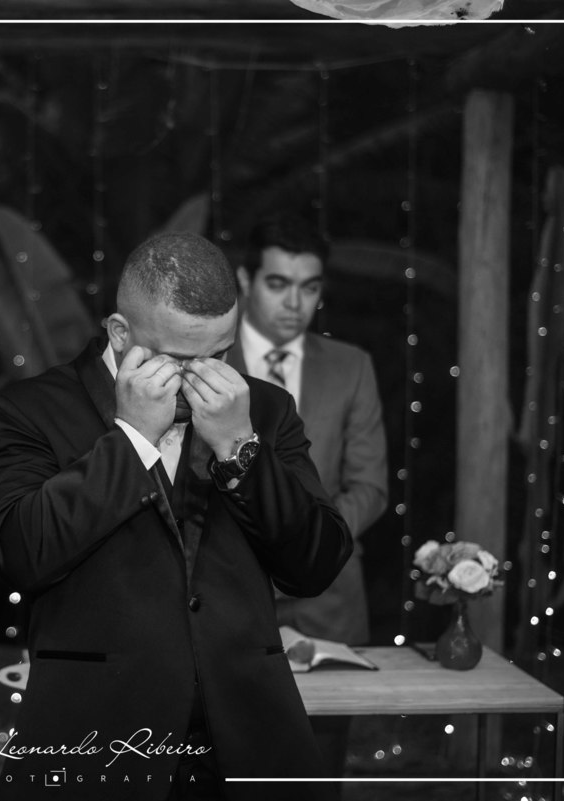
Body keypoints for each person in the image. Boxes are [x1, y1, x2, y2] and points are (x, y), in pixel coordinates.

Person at [0, 231, 352, 801]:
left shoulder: (264, 410)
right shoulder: (28, 410)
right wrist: (131, 440)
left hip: (247, 748)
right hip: (95, 747)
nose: (200, 377)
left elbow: (316, 564)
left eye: (218, 355)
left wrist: (241, 450)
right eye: (177, 359)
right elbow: (19, 552)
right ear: (119, 333)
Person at [230, 216, 389, 783]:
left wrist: (304, 544)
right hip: (228, 595)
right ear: (246, 280)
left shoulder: (351, 365)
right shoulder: (208, 360)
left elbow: (370, 487)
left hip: (329, 601)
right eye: (278, 284)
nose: (295, 303)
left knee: (317, 776)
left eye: (310, 286)